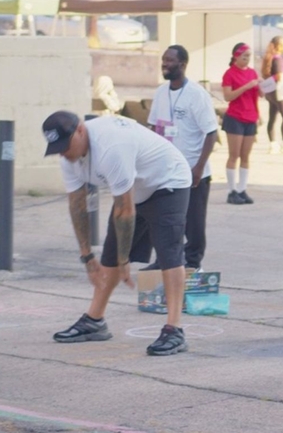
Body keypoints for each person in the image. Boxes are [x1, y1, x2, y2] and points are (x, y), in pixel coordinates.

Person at [43, 111, 191, 356]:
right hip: (136, 188)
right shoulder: (67, 156)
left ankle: (174, 329)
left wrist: (126, 261)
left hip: (167, 180)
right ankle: (95, 320)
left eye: (65, 145)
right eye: (57, 147)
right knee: (109, 255)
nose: (63, 153)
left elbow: (125, 209)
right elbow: (77, 205)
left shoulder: (111, 146)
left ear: (80, 130)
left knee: (169, 251)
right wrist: (87, 256)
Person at [146, 45, 218, 272]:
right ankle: (164, 262)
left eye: (170, 60)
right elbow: (153, 127)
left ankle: (193, 265)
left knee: (194, 224)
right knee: (165, 221)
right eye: (163, 60)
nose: (165, 64)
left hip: (192, 171)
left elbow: (211, 132)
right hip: (165, 171)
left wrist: (198, 167)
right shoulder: (160, 92)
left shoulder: (197, 95)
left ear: (183, 64)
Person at [222, 42, 261, 205]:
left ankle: (242, 188)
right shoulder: (230, 74)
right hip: (235, 116)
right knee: (234, 154)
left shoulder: (252, 72)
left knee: (246, 155)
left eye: (249, 57)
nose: (246, 60)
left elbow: (257, 96)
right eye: (244, 56)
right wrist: (246, 86)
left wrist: (262, 87)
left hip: (250, 116)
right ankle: (231, 190)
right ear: (236, 57)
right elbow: (228, 96)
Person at [260, 36, 283, 155]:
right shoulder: (278, 60)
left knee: (272, 117)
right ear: (278, 46)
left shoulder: (269, 58)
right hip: (280, 92)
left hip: (270, 92)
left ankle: (273, 144)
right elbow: (280, 76)